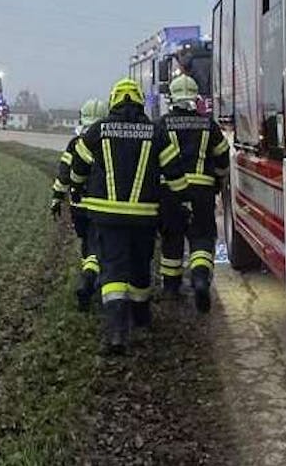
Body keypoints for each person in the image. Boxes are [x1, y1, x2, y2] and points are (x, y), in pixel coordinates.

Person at [64, 77, 183, 354]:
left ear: (114, 100)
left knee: (114, 270)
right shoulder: (155, 132)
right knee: (141, 266)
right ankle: (141, 316)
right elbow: (175, 175)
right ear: (140, 101)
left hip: (108, 218)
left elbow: (78, 168)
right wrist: (179, 201)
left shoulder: (98, 130)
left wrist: (77, 189)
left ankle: (117, 332)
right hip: (144, 217)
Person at [155, 74, 229, 314]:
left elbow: (154, 159)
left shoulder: (162, 125)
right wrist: (218, 180)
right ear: (195, 97)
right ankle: (199, 279)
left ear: (172, 98)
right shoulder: (208, 125)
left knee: (172, 239)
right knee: (202, 238)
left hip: (171, 193)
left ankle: (171, 289)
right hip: (202, 193)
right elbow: (223, 157)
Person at [51, 97, 106, 309]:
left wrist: (57, 198)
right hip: (101, 206)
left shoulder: (74, 144)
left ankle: (89, 278)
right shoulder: (106, 143)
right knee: (99, 245)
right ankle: (91, 281)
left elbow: (64, 174)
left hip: (78, 206)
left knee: (88, 244)